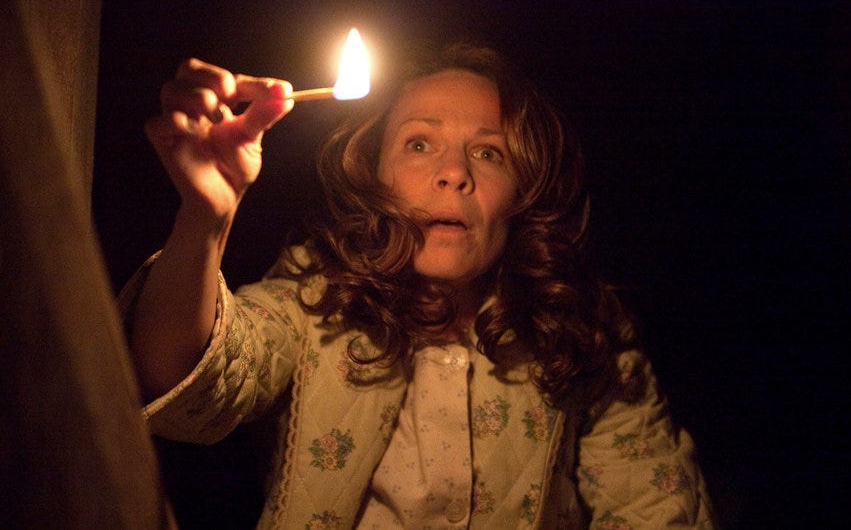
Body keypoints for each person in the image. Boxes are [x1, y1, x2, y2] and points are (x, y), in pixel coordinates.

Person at [121, 43, 716, 529]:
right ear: (373, 175)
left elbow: (656, 511)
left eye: (488, 152)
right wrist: (206, 218)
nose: (453, 172)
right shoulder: (316, 303)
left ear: (524, 193)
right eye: (420, 143)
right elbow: (182, 383)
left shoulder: (585, 337)